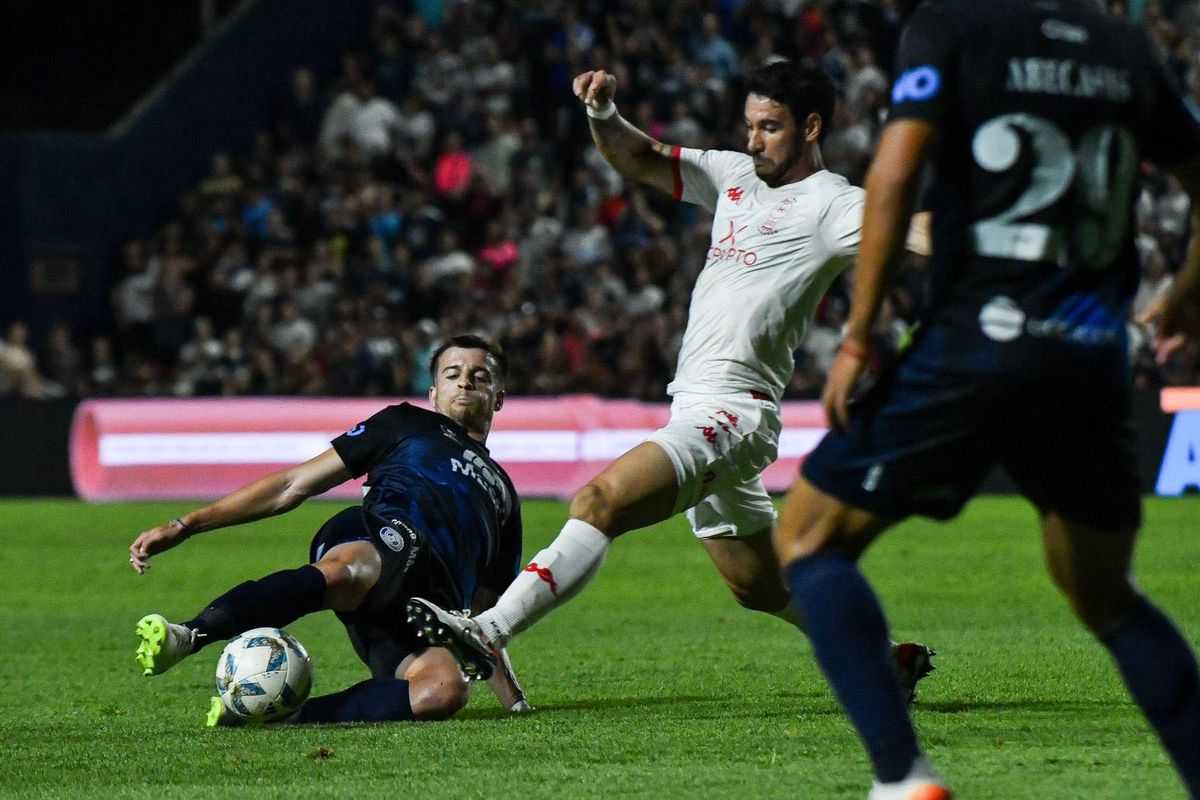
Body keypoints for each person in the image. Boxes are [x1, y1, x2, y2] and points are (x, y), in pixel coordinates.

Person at [771, 0, 1200, 796]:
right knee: (1107, 598)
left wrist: (859, 336)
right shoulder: (1125, 50)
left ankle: (902, 777)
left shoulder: (953, 27)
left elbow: (895, 174)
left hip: (975, 341)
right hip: (1089, 364)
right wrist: (1182, 298)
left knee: (809, 538)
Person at [407, 61, 935, 703]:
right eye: (749, 125)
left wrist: (1007, 238)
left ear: (812, 127)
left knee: (599, 502)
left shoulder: (833, 204)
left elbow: (910, 226)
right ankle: (885, 662)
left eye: (770, 127)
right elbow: (641, 158)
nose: (753, 140)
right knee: (758, 588)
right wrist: (602, 113)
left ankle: (490, 630)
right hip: (694, 406)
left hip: (737, 413)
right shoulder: (735, 176)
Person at [129, 335, 530, 725]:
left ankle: (286, 715)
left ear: (498, 396)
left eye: (479, 375)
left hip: (424, 612)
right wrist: (188, 524)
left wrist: (514, 701)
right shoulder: (405, 423)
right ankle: (187, 635)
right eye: (453, 373)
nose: (464, 381)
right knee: (354, 568)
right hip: (382, 537)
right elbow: (292, 485)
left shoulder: (506, 496)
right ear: (433, 394)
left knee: (445, 689)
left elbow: (488, 616)